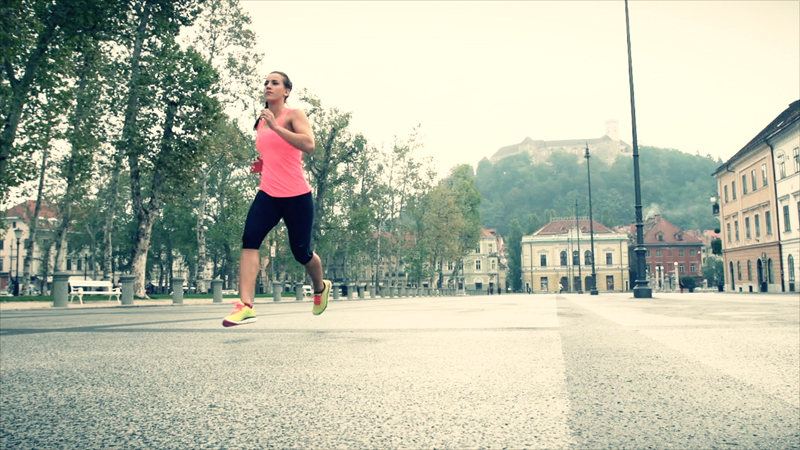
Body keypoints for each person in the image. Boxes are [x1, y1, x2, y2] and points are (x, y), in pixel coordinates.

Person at [223, 71, 331, 327]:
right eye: (266, 83)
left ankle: (319, 287)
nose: (268, 86)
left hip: (297, 195)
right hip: (268, 193)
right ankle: (246, 306)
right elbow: (275, 152)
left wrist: (275, 126)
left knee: (301, 252)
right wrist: (262, 163)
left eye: (275, 83)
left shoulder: (292, 115)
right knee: (250, 240)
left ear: (286, 91)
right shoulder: (261, 120)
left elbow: (308, 144)